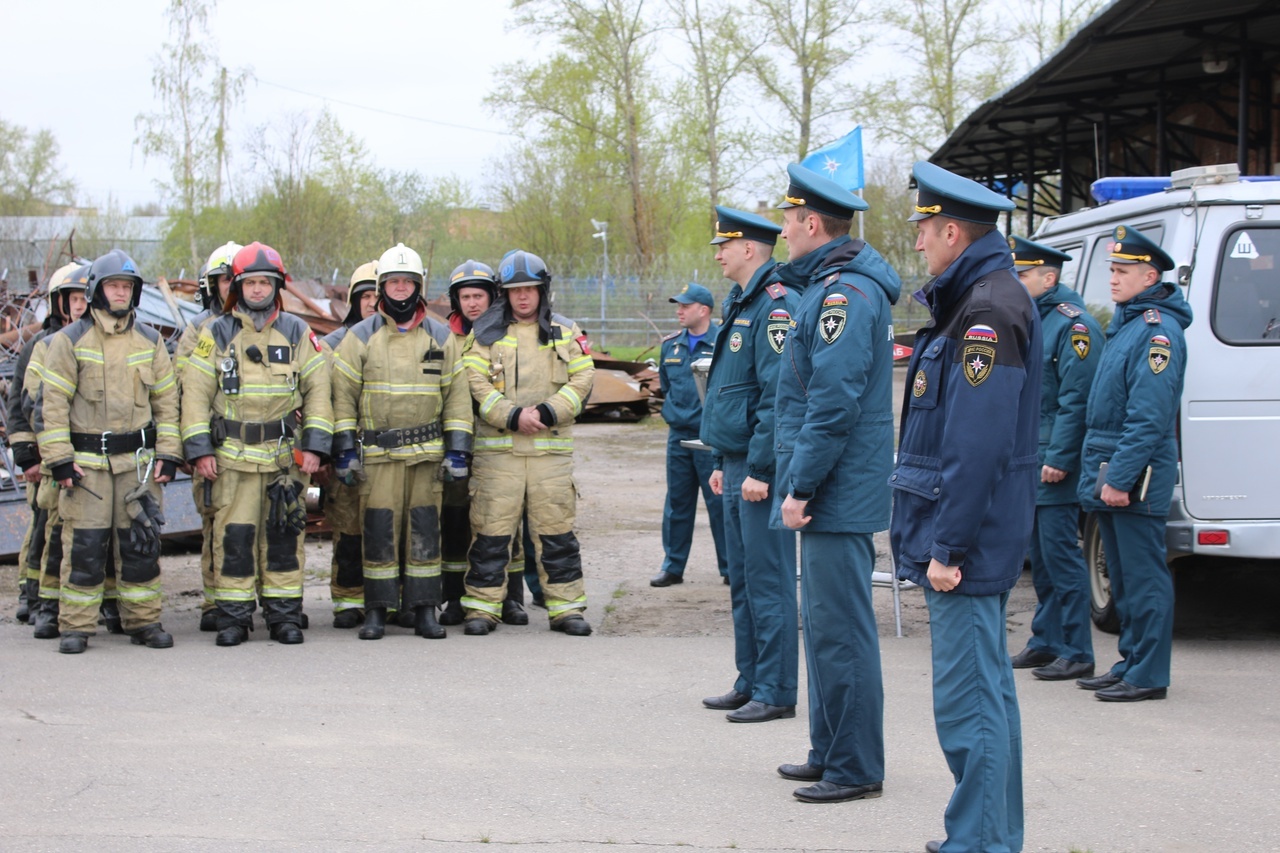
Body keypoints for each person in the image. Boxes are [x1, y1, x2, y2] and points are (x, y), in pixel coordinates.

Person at [891, 161, 1038, 853]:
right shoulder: (981, 298)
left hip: (965, 542)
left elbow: (976, 447)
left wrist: (947, 547)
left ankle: (979, 841)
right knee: (987, 696)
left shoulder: (984, 311)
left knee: (969, 704)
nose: (918, 242)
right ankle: (988, 833)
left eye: (924, 229)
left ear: (952, 230)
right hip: (969, 534)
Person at [771, 164, 899, 803]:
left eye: (788, 223)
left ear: (812, 223)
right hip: (833, 490)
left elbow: (833, 400)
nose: (783, 235)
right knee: (824, 628)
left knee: (842, 631)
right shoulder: (834, 287)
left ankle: (854, 767)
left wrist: (801, 485)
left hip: (835, 492)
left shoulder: (845, 295)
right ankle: (829, 750)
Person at [181, 242, 332, 647]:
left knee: (284, 540)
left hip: (284, 460)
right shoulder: (214, 333)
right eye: (251, 282)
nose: (259, 290)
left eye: (266, 282)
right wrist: (200, 450)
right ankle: (233, 618)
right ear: (238, 287)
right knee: (234, 539)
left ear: (277, 286)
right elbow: (194, 393)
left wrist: (316, 446)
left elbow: (319, 390)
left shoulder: (299, 332)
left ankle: (283, 617)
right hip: (231, 459)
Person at [34, 249, 183, 654]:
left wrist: (169, 453)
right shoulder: (68, 341)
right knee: (84, 548)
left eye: (127, 287)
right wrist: (59, 460)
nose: (121, 293)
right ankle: (77, 626)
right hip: (87, 468)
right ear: (96, 290)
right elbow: (53, 406)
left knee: (140, 547)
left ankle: (144, 622)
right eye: (114, 286)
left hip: (137, 466)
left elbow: (167, 403)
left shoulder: (151, 341)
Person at [331, 243, 472, 641]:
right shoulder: (359, 337)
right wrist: (344, 451)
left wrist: (458, 449)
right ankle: (377, 609)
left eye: (407, 282)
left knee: (425, 533)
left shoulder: (441, 336)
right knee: (378, 533)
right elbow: (342, 397)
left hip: (427, 455)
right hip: (378, 456)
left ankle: (424, 609)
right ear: (380, 288)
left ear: (419, 286)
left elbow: (457, 397)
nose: (400, 288)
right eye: (393, 282)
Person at [1076, 225, 1190, 703]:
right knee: (1122, 577)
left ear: (1149, 276)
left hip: (1132, 472)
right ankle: (1130, 662)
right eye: (1112, 271)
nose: (1113, 280)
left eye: (1122, 272)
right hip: (1110, 465)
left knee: (1143, 579)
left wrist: (1120, 478)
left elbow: (1148, 417)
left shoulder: (1156, 333)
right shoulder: (1128, 324)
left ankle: (1148, 674)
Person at [699, 205, 800, 723]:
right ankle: (751, 678)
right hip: (738, 460)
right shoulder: (743, 303)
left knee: (768, 578)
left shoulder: (776, 307)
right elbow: (729, 392)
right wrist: (723, 458)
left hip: (762, 467)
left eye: (724, 245)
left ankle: (777, 688)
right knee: (742, 577)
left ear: (749, 249)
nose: (717, 253)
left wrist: (760, 469)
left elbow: (776, 398)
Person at [459, 249, 595, 636]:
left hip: (549, 455)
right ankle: (482, 609)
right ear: (504, 293)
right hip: (498, 455)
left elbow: (583, 380)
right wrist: (513, 415)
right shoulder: (484, 334)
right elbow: (474, 383)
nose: (523, 297)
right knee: (490, 533)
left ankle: (566, 609)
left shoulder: (566, 332)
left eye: (530, 290)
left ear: (542, 290)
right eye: (515, 290)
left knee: (556, 533)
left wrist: (549, 413)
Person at [1007, 236, 1103, 682]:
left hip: (1053, 461)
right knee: (1039, 557)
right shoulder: (1033, 319)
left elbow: (1076, 401)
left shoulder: (1074, 326)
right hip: (1031, 456)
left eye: (1022, 275)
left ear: (1049, 278)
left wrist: (1061, 457)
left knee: (1061, 556)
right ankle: (1046, 640)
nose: (1015, 281)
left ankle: (1076, 648)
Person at [438, 259, 530, 627]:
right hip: (457, 446)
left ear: (492, 296)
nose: (472, 303)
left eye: (479, 295)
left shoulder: (506, 333)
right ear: (455, 300)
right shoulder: (444, 338)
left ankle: (511, 598)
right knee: (457, 521)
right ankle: (457, 598)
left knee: (506, 524)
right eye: (465, 296)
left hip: (499, 444)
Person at [8, 262, 90, 637]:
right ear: (59, 302)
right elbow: (24, 407)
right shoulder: (39, 348)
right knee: (44, 529)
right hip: (50, 455)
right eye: (72, 298)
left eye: (84, 297)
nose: (79, 305)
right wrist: (29, 457)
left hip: (87, 456)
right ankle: (35, 595)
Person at [174, 241, 242, 632]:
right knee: (217, 525)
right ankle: (216, 602)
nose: (231, 285)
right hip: (216, 447)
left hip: (261, 449)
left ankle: (266, 599)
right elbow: (185, 387)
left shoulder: (276, 325)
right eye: (224, 279)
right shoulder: (199, 331)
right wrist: (194, 446)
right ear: (211, 284)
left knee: (267, 527)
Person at [650, 282, 727, 588]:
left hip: (710, 438)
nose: (679, 311)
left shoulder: (722, 342)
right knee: (678, 504)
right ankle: (673, 566)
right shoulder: (671, 345)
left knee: (719, 504)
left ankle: (730, 566)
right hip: (679, 436)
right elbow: (667, 388)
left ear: (703, 310)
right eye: (678, 306)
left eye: (685, 306)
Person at [321, 260, 378, 629]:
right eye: (366, 296)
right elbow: (320, 401)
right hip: (347, 449)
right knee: (348, 530)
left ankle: (390, 597)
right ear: (354, 301)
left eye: (378, 295)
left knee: (387, 529)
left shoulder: (401, 341)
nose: (373, 303)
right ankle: (348, 599)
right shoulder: (331, 345)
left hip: (387, 451)